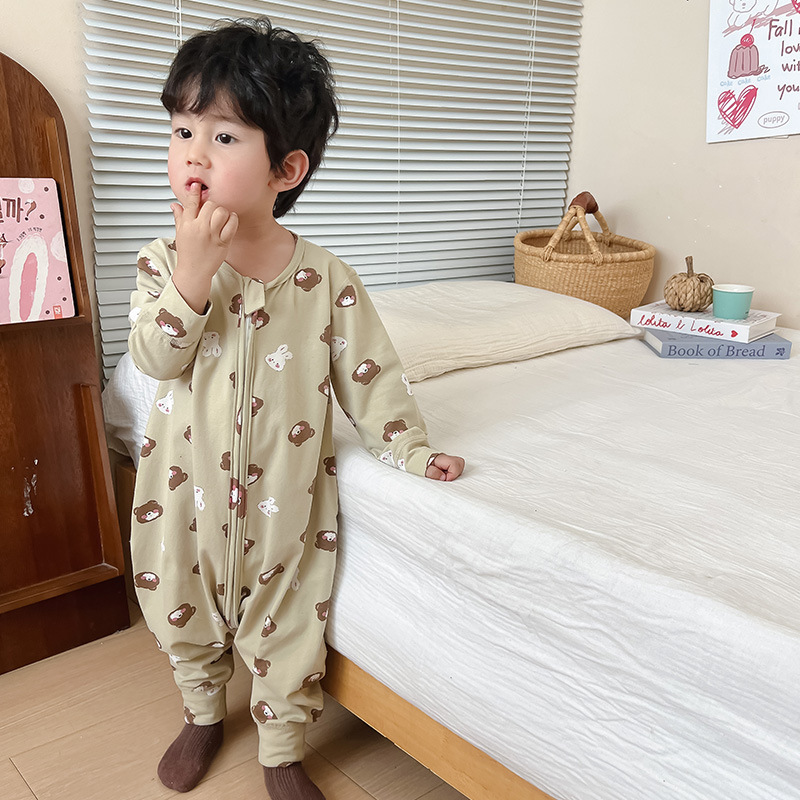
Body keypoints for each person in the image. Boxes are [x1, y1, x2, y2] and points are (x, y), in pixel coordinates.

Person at [127, 17, 465, 800]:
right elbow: (154, 357)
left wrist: (411, 449)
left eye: (223, 136)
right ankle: (202, 711)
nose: (193, 154)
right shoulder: (161, 261)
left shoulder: (325, 280)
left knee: (290, 628)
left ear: (286, 168)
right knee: (179, 606)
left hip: (287, 502)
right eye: (182, 130)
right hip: (183, 496)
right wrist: (193, 272)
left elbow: (371, 377)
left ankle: (281, 748)